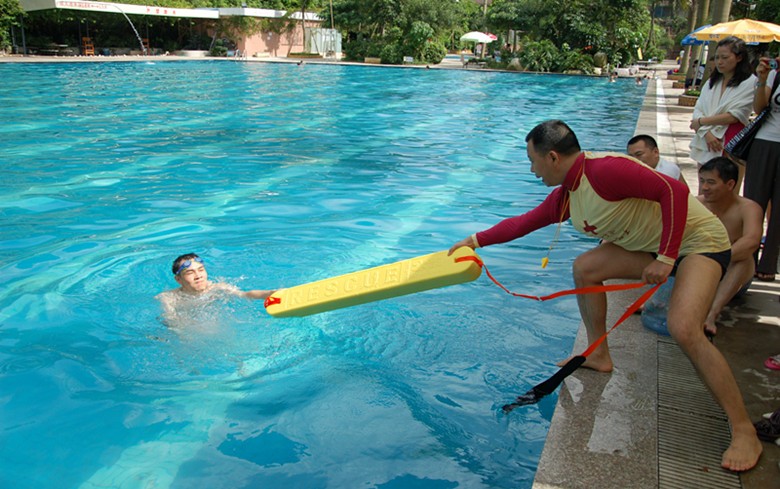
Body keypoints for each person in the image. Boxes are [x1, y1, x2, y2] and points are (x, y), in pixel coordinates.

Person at [448, 120, 762, 472]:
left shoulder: (605, 170)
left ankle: (743, 430)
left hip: (698, 243)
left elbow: (673, 191)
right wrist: (473, 241)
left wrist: (666, 257)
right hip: (654, 247)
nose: (532, 170)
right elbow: (525, 222)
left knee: (684, 328)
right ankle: (598, 352)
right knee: (586, 268)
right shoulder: (569, 192)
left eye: (533, 161)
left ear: (552, 157)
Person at [697, 157, 763, 336]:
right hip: (700, 273)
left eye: (711, 182)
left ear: (730, 184)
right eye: (702, 181)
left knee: (745, 258)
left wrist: (717, 257)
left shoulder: (748, 208)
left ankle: (711, 314)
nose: (704, 187)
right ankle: (657, 301)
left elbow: (752, 240)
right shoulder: (696, 204)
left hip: (733, 276)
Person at [689, 37, 756, 173]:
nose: (719, 62)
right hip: (706, 139)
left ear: (739, 57)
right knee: (706, 183)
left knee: (729, 183)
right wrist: (706, 133)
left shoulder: (750, 82)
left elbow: (735, 115)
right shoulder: (711, 82)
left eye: (725, 57)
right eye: (717, 57)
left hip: (732, 138)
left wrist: (700, 122)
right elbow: (699, 108)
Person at [156, 253, 275, 323]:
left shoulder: (217, 288)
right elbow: (172, 322)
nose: (198, 276)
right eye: (190, 273)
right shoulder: (169, 298)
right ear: (178, 279)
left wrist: (270, 293)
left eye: (201, 270)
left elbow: (244, 295)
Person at [744, 55, 780, 282]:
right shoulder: (775, 75)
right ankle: (748, 260)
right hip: (764, 143)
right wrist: (762, 80)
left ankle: (769, 262)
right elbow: (759, 108)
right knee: (753, 202)